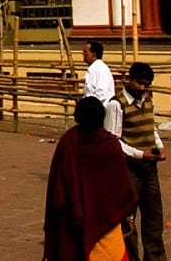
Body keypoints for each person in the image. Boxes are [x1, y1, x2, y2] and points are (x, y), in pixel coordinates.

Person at [44, 96, 138, 261]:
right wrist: (127, 217)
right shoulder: (110, 144)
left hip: (73, 220)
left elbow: (57, 186)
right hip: (108, 220)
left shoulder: (68, 141)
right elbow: (122, 187)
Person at [105, 62, 164, 261]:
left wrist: (158, 145)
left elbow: (152, 126)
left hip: (149, 168)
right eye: (140, 83)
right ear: (129, 79)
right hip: (128, 168)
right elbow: (113, 141)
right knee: (128, 220)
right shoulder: (116, 104)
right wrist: (141, 154)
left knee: (154, 218)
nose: (142, 88)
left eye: (147, 85)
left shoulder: (147, 100)